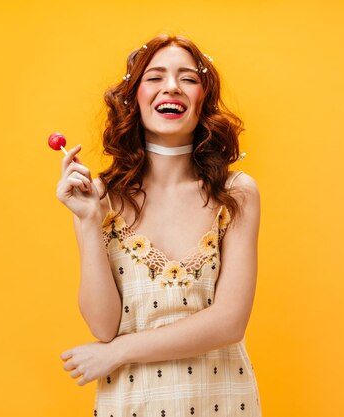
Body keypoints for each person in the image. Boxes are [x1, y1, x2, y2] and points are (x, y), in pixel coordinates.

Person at [58, 33, 262, 416]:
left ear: (204, 98)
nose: (172, 86)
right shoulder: (99, 198)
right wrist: (87, 221)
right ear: (134, 96)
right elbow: (103, 327)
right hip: (132, 403)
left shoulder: (236, 193)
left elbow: (229, 322)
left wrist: (118, 352)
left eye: (188, 78)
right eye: (155, 77)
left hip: (223, 401)